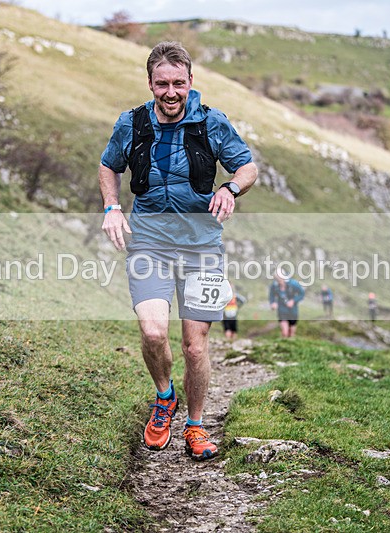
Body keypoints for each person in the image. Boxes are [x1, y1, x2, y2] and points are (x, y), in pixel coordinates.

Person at [98, 42, 258, 461]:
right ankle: (165, 396)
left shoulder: (212, 122)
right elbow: (108, 165)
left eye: (178, 83)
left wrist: (231, 187)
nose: (171, 92)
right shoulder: (131, 123)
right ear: (150, 83)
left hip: (202, 245)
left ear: (191, 81)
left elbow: (247, 166)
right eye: (161, 84)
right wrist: (112, 207)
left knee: (195, 346)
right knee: (152, 332)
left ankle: (195, 425)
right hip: (149, 239)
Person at [269, 269, 305, 338]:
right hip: (282, 308)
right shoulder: (274, 285)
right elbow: (271, 295)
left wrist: (293, 301)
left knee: (291, 332)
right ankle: (284, 339)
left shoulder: (293, 284)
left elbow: (301, 293)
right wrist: (272, 303)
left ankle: (291, 339)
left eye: (279, 278)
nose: (279, 281)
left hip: (293, 309)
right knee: (285, 332)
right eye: (277, 279)